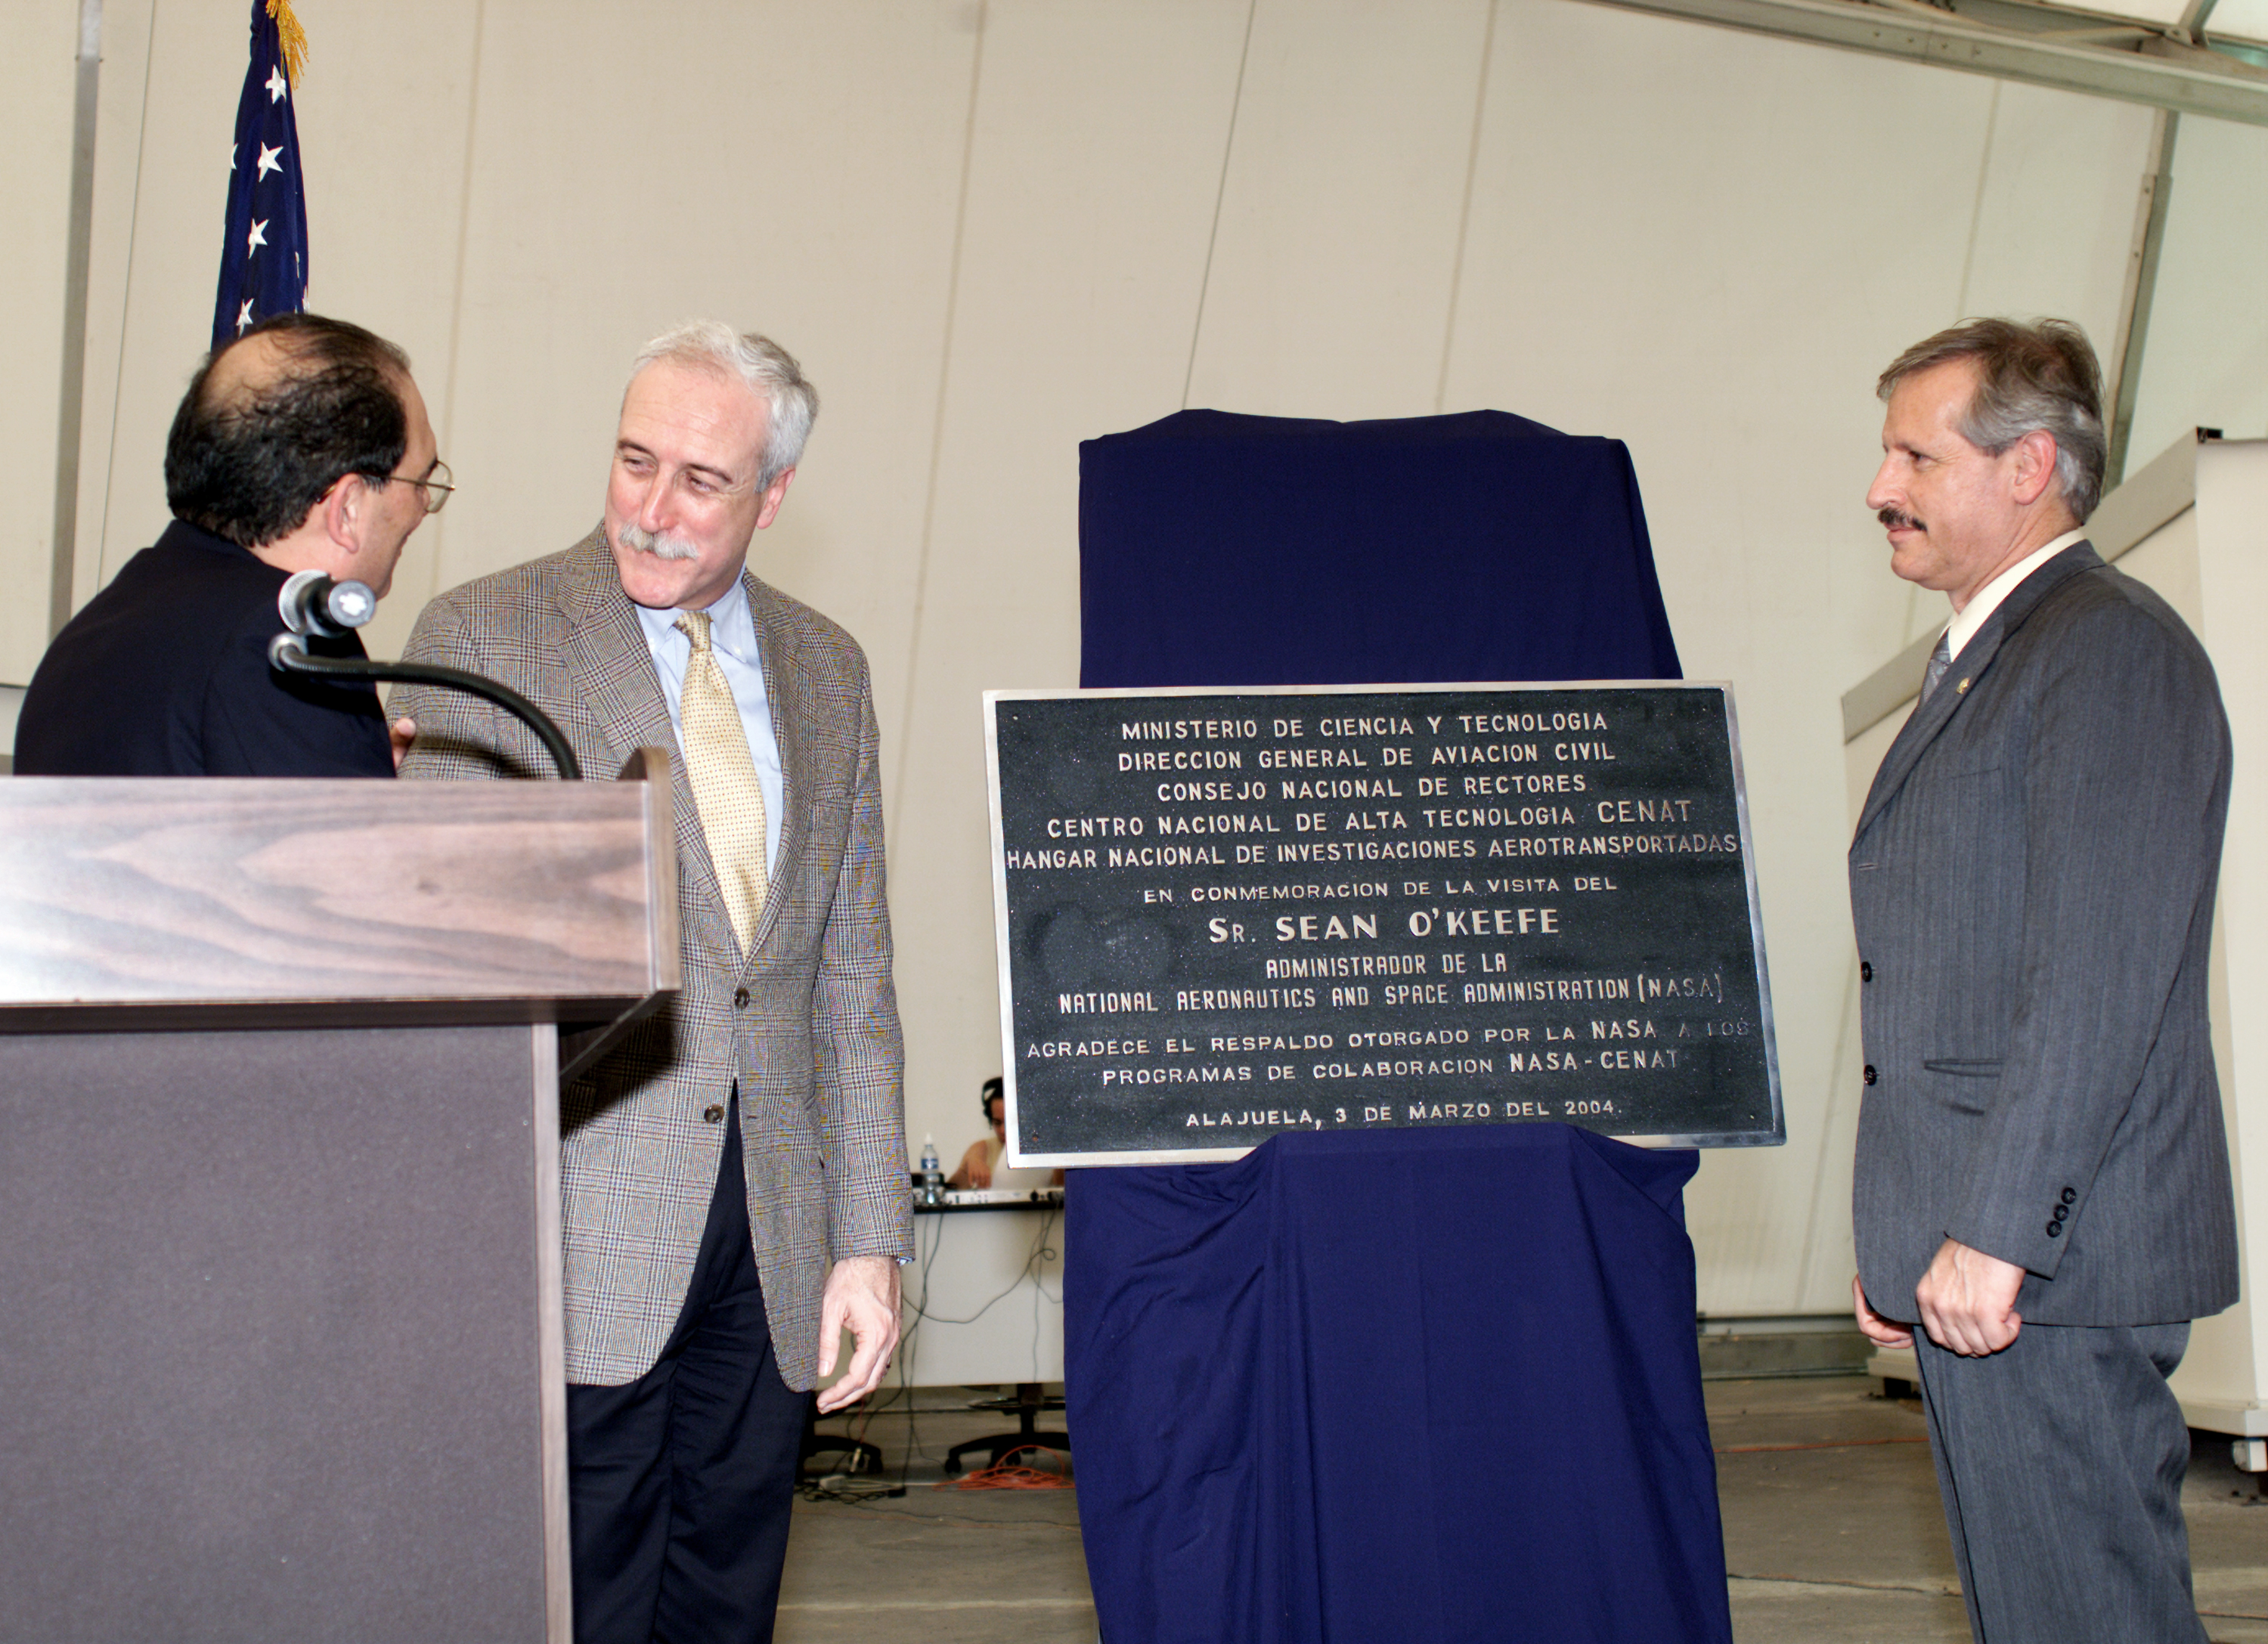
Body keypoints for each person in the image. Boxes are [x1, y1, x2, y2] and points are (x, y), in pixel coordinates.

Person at [389, 320, 909, 1644]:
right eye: (635, 463)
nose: (654, 510)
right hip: (576, 1226)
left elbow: (850, 978)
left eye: (701, 481)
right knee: (578, 1603)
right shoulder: (483, 634)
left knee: (728, 1599)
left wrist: (869, 1240)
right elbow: (445, 981)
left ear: (773, 497)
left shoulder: (830, 669)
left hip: (775, 1230)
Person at [1848, 317, 2236, 1644]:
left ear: (2027, 471)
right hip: (1989, 1259)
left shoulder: (2105, 650)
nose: (1879, 487)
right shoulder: (1993, 656)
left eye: (1913, 453)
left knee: (2085, 1620)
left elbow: (2095, 981)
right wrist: (1907, 1228)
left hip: (2049, 1269)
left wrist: (2001, 1232)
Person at [14, 313, 442, 777]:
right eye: (419, 481)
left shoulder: (96, 630)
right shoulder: (284, 643)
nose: (423, 507)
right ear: (348, 507)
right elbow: (342, 851)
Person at [949, 1077, 1063, 1190]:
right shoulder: (983, 1148)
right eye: (997, 1123)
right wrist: (971, 1162)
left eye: (1010, 1123)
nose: (1003, 1130)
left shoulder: (1044, 1146)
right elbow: (952, 1190)